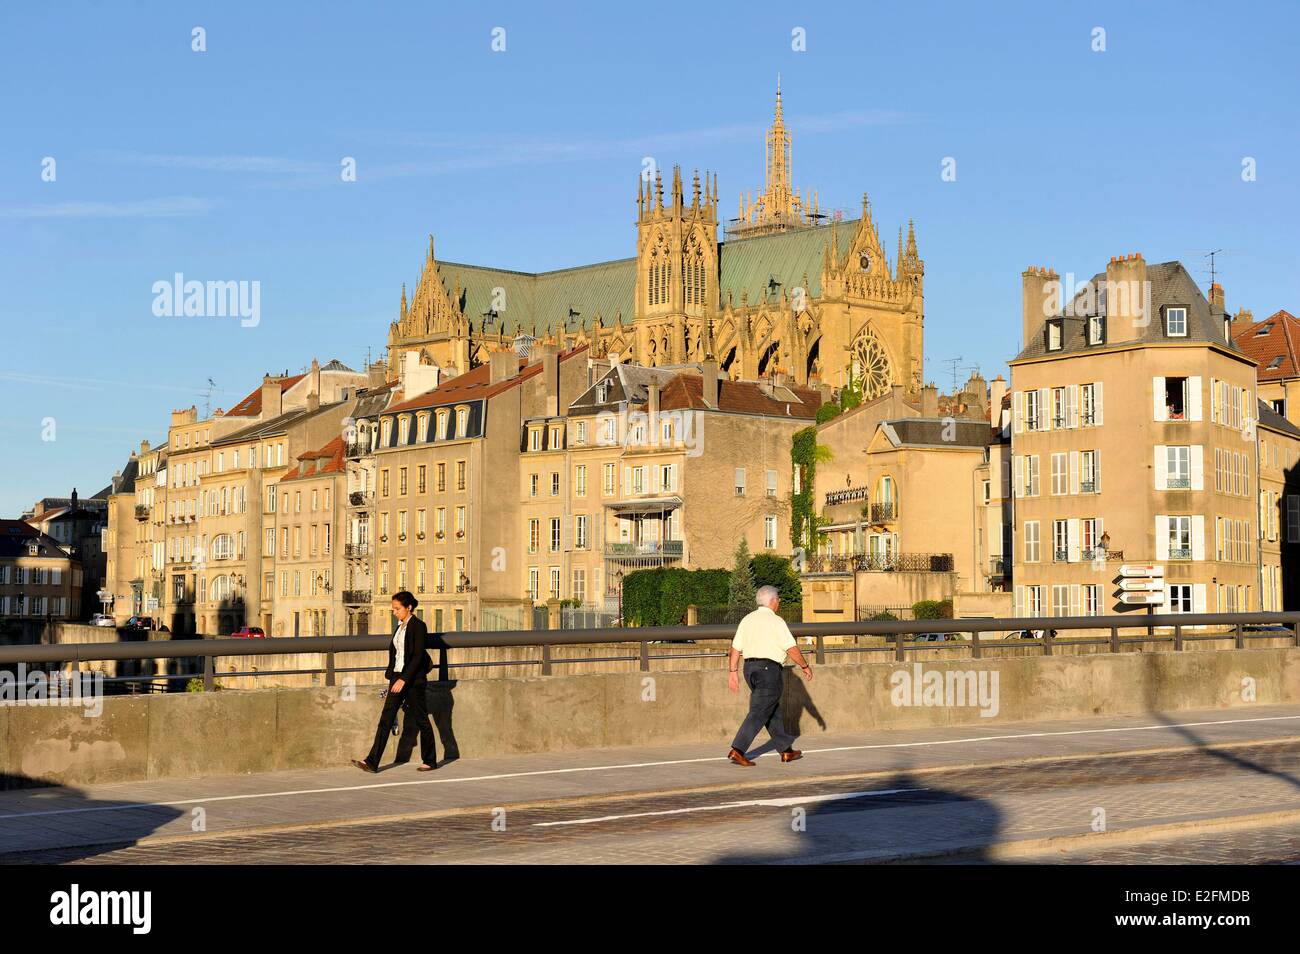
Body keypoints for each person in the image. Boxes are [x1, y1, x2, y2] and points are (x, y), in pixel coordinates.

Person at [726, 585, 813, 766]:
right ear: (773, 601)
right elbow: (791, 648)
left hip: (749, 669)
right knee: (759, 711)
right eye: (778, 600)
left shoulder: (747, 619)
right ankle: (738, 749)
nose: (779, 602)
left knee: (771, 711)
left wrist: (732, 672)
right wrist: (805, 665)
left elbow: (735, 647)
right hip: (768, 670)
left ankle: (786, 751)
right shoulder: (776, 621)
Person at [352, 591, 437, 773]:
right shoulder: (400, 627)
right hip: (397, 677)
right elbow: (397, 653)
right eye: (393, 609)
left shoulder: (419, 626)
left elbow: (417, 656)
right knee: (386, 718)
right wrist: (392, 676)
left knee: (421, 719)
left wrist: (404, 679)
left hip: (413, 680)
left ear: (409, 607)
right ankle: (372, 762)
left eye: (397, 609)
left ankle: (430, 760)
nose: (394, 612)